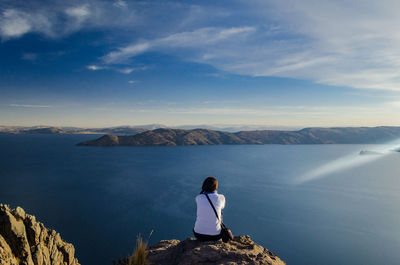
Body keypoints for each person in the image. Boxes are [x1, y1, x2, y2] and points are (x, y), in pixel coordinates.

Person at [193, 176, 226, 242]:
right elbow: (223, 206)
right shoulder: (221, 197)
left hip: (198, 234)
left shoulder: (198, 197)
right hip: (215, 236)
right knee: (220, 211)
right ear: (216, 187)